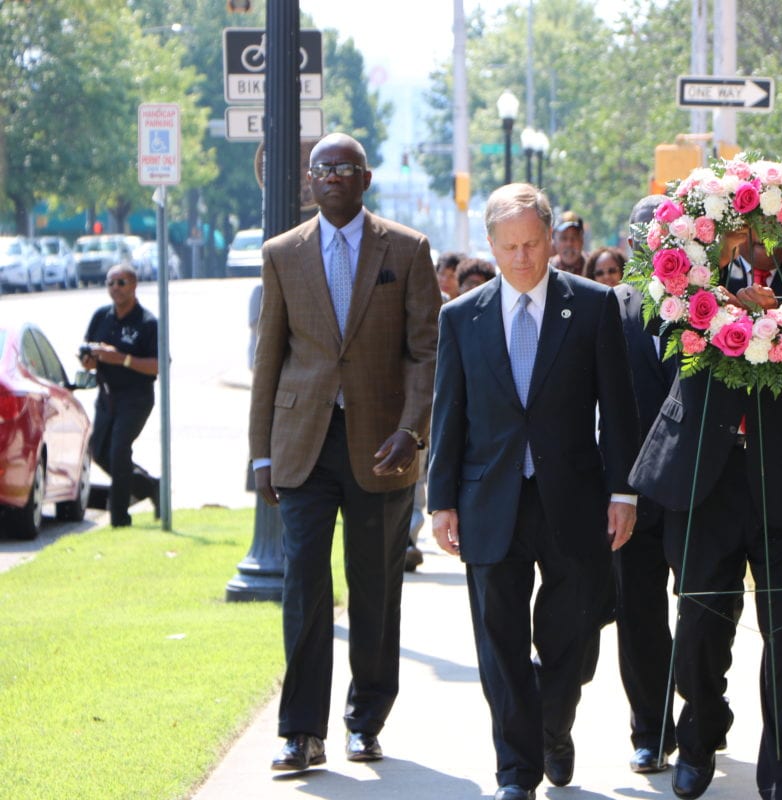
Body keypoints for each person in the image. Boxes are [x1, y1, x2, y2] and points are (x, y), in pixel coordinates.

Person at [629, 229, 782, 800]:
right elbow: (659, 330)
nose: (758, 239)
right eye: (747, 225)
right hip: (707, 482)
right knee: (699, 629)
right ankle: (700, 733)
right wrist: (724, 300)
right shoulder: (690, 271)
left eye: (772, 227)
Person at [427, 184, 640, 800]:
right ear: (490, 246)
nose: (521, 257)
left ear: (551, 239)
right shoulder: (460, 318)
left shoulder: (595, 308)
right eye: (508, 246)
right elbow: (450, 416)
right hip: (490, 500)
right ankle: (515, 772)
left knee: (570, 635)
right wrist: (441, 500)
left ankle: (554, 723)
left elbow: (618, 412)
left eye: (531, 243)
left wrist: (623, 492)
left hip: (572, 499)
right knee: (500, 643)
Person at [248, 132, 441, 772]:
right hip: (302, 445)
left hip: (382, 446)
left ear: (366, 178)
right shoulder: (281, 254)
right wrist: (260, 455)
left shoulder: (407, 250)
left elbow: (424, 352)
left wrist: (412, 430)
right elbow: (268, 358)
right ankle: (301, 731)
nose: (331, 176)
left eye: (344, 168)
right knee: (303, 584)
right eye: (321, 168)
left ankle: (366, 720)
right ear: (309, 181)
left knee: (376, 586)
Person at [609, 195, 677, 774]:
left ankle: (707, 703)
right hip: (632, 493)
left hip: (699, 492)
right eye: (645, 237)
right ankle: (650, 731)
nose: (656, 246)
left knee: (712, 608)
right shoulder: (611, 309)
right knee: (639, 616)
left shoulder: (710, 307)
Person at [79, 263, 160, 527]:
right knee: (99, 452)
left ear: (134, 285)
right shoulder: (101, 316)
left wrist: (121, 359)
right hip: (106, 397)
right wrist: (90, 361)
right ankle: (152, 488)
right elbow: (88, 353)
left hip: (136, 397)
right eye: (110, 283)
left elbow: (157, 365)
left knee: (118, 451)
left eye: (121, 282)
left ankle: (119, 519)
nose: (115, 288)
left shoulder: (147, 323)